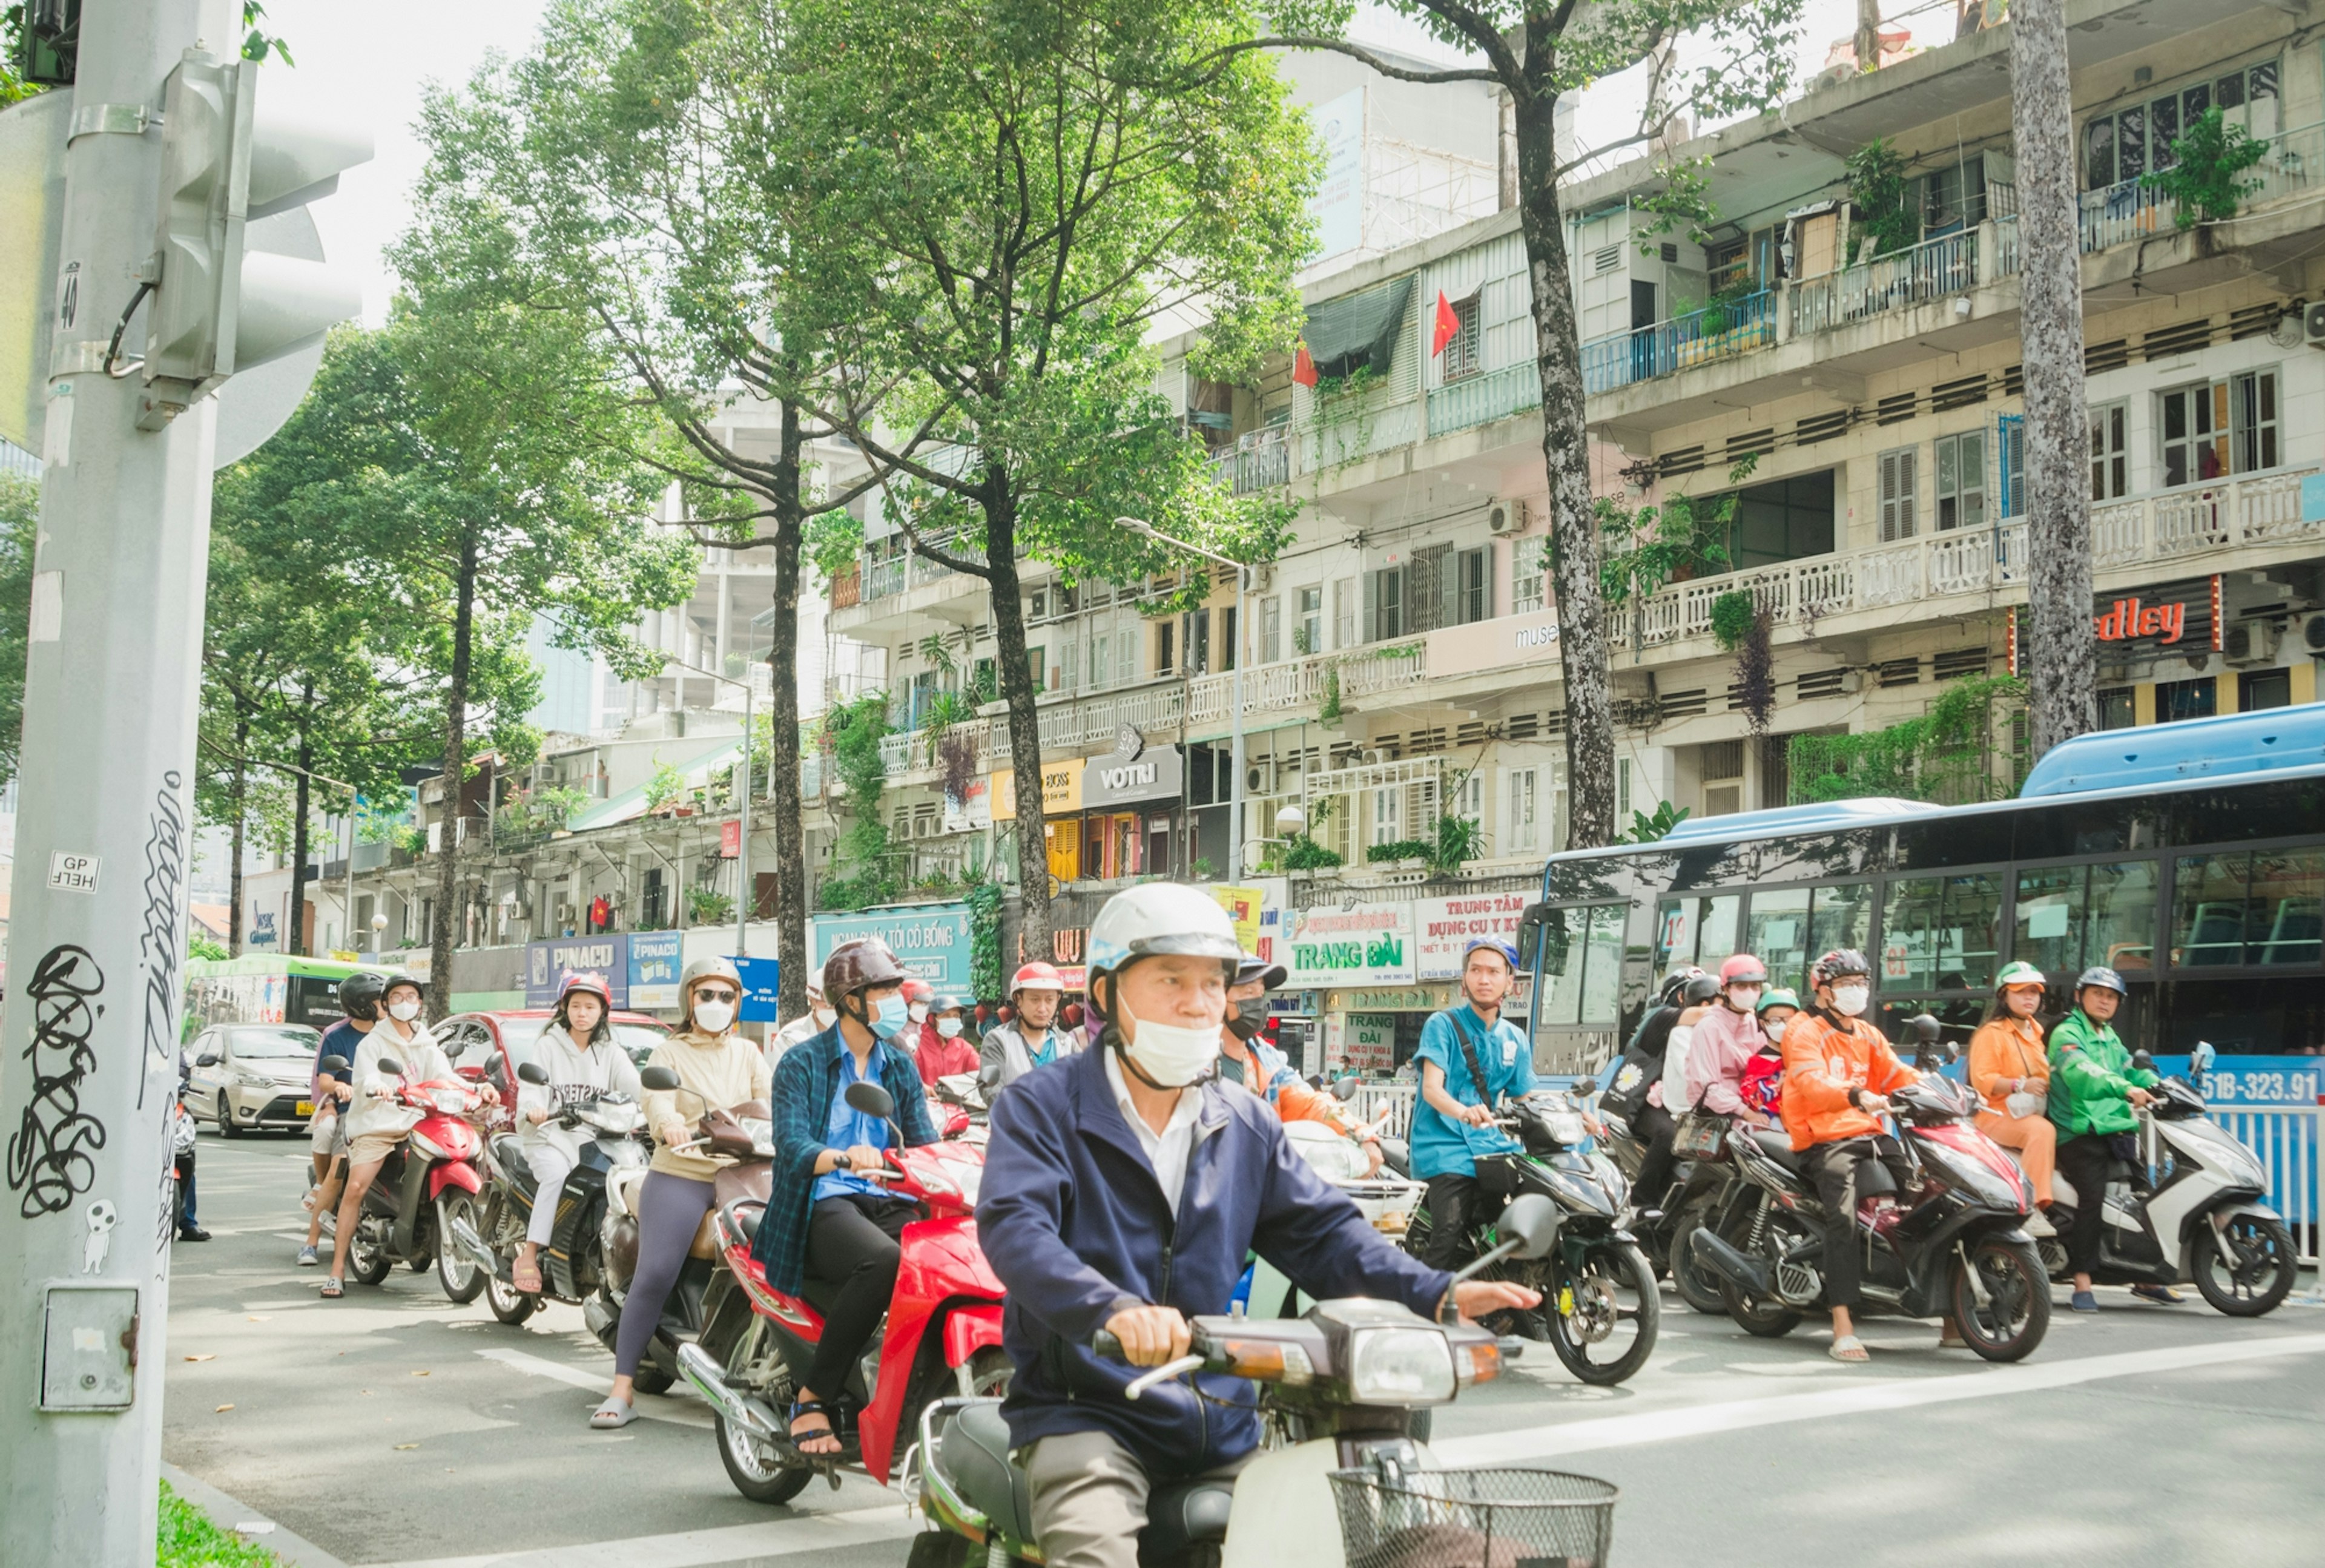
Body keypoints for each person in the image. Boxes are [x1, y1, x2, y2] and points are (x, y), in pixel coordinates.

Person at [978, 885, 1540, 1568]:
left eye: (1213, 983)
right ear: (1107, 993)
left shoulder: (1243, 1121)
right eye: (1171, 980)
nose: (1197, 1002)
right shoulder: (1041, 1106)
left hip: (1219, 1420)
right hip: (1090, 1415)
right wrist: (1114, 1311)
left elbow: (1325, 1235)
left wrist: (1437, 1294)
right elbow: (1017, 1229)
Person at [753, 939, 940, 1455]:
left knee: (951, 1258)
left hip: (888, 1197)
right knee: (884, 1262)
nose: (896, 999)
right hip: (821, 1199)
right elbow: (790, 1144)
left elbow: (923, 1142)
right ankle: (812, 1396)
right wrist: (843, 1157)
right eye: (884, 989)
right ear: (851, 999)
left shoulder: (900, 1064)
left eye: (895, 988)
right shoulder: (801, 1062)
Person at [598, 957, 768, 1428]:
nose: (716, 1004)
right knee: (655, 1272)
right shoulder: (669, 1054)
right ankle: (622, 1388)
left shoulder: (751, 1054)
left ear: (738, 1004)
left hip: (745, 1172)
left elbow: (771, 1105)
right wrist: (670, 1124)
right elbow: (657, 1099)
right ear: (689, 1001)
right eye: (706, 995)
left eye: (726, 996)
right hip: (684, 1173)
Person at [1779, 949, 1921, 1362]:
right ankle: (1842, 1325)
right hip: (1825, 1141)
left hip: (1872, 1135)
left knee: (1924, 1196)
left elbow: (1898, 1073)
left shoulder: (1868, 1033)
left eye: (1861, 983)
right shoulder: (1802, 1030)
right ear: (1822, 990)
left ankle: (1946, 1314)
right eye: (1846, 985)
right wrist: (1856, 1094)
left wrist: (1938, 1090)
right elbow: (1810, 1080)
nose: (1856, 992)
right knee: (1841, 1221)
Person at [326, 975, 492, 1298]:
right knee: (357, 1186)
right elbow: (366, 1078)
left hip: (421, 1118)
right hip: (380, 1123)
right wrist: (377, 1087)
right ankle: (335, 1271)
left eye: (412, 996)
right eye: (398, 996)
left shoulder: (426, 1041)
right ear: (386, 1004)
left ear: (420, 1003)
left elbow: (445, 1077)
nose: (406, 1002)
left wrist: (477, 1089)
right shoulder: (373, 1042)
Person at [1408, 940, 1536, 1273]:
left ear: (1510, 982)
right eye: (1475, 970)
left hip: (1491, 1147)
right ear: (1464, 979)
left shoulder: (1515, 1038)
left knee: (1515, 1227)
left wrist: (1576, 1117)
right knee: (1448, 1232)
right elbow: (1432, 1090)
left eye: (1494, 972)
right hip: (1444, 1145)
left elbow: (1527, 1098)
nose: (1484, 979)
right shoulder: (1442, 1024)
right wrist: (1463, 1112)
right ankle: (1424, 1309)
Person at [2047, 966, 2169, 1313]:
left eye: (2112, 996)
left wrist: (2156, 1083)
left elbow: (2130, 1068)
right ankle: (2082, 1281)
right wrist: (2126, 1088)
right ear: (2079, 996)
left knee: (2145, 1195)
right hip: (2078, 1132)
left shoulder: (2110, 1038)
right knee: (2093, 1199)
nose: (2105, 1001)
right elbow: (2083, 1073)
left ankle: (2146, 1277)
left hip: (2115, 1129)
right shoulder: (2068, 1033)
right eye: (2098, 994)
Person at [513, 972, 644, 1294]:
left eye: (589, 1006)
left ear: (602, 1012)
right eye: (575, 1006)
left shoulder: (610, 1051)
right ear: (564, 1009)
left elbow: (636, 1088)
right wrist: (535, 1108)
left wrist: (663, 1108)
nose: (582, 1013)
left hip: (596, 1141)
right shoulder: (548, 1046)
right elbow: (532, 1087)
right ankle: (529, 1253)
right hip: (550, 1136)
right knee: (556, 1177)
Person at [1221, 957, 1384, 1176]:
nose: (1258, 1004)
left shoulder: (1268, 1062)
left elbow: (1311, 1103)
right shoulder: (1193, 1063)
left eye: (1261, 994)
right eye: (1249, 993)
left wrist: (1360, 1133)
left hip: (1259, 1184)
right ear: (1216, 998)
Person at [1968, 961, 2058, 1222]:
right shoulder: (1991, 1034)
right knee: (2042, 1131)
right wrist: (2020, 1084)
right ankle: (2030, 1207)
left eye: (2034, 991)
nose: (2029, 997)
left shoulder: (2038, 1031)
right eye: (2021, 991)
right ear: (2004, 996)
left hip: (2031, 1109)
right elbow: (1982, 1079)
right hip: (1995, 1114)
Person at [300, 973, 378, 1265]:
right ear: (361, 1005)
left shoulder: (393, 1032)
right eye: (377, 1000)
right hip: (351, 1109)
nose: (384, 1005)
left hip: (394, 1111)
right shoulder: (336, 1035)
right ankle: (311, 1241)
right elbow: (324, 1079)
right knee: (339, 1164)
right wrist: (337, 1091)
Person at [1632, 974, 1721, 1214]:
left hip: (1685, 1104)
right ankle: (1641, 1199)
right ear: (1682, 997)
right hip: (1649, 1103)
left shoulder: (1713, 1032)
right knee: (1669, 1133)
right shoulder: (1664, 1019)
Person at [1684, 954, 1776, 1129]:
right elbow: (1707, 1086)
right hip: (1721, 1112)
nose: (1749, 991)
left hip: (1752, 1103)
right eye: (1742, 986)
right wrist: (1746, 1112)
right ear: (1726, 989)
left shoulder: (1754, 1022)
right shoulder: (1709, 1027)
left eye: (1755, 986)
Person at [981, 961, 1073, 1084]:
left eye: (1049, 1000)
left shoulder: (1067, 1044)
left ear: (1058, 1000)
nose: (1042, 1008)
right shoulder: (998, 1040)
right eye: (1035, 1000)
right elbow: (992, 1091)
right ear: (1019, 1000)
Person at [1740, 989, 1799, 1124]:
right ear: (1762, 1023)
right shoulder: (1759, 1061)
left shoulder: (1805, 1053)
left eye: (1789, 1019)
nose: (1783, 1025)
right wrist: (1777, 1084)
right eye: (1775, 1020)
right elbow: (1751, 1096)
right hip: (1775, 1117)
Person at [914, 993, 979, 1086]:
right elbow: (910, 1079)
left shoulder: (964, 1048)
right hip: (927, 1099)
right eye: (947, 1016)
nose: (952, 1020)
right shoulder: (918, 1047)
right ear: (933, 1019)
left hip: (958, 1099)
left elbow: (979, 1069)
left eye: (956, 1016)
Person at [768, 981, 835, 1066]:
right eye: (827, 1004)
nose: (834, 1009)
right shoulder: (790, 1037)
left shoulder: (854, 1034)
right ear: (812, 1001)